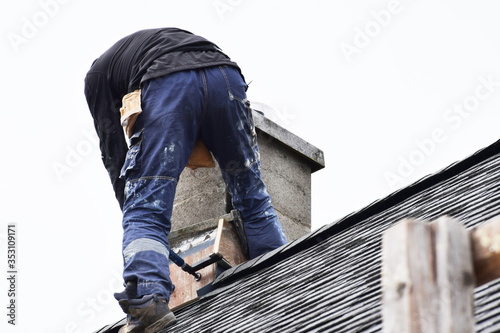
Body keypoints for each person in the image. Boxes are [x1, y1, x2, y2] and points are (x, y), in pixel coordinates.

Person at [84, 28, 287, 332]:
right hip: (226, 77)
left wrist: (132, 207)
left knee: (146, 210)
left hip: (170, 82)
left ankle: (148, 303)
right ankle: (285, 277)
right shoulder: (142, 48)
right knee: (254, 200)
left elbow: (112, 147)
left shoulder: (96, 77)